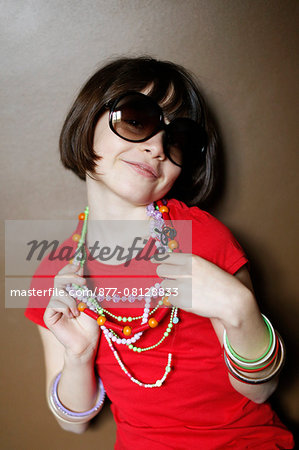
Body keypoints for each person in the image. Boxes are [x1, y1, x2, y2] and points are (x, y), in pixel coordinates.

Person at [25, 56, 294, 449]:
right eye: (137, 119)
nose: (156, 148)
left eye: (178, 140)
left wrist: (241, 309)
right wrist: (79, 354)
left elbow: (261, 391)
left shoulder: (200, 236)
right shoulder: (56, 270)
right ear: (87, 122)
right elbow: (73, 424)